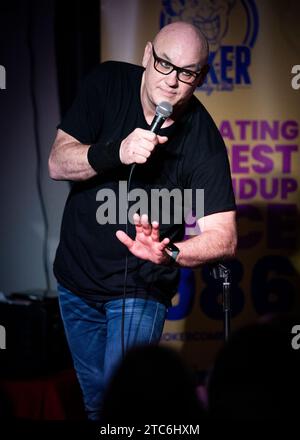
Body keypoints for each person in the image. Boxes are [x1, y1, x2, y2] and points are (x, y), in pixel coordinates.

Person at [48, 21, 237, 421]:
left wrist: (168, 252)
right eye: (166, 64)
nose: (172, 81)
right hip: (76, 282)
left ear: (199, 78)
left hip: (141, 287)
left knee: (127, 409)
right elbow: (57, 162)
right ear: (148, 56)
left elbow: (224, 237)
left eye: (187, 73)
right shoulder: (107, 83)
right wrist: (116, 151)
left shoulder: (202, 138)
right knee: (96, 403)